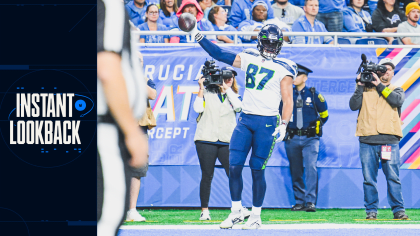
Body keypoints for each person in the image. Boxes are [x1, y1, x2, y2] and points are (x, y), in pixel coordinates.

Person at [185, 22, 296, 229]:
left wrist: (284, 124)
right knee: (234, 166)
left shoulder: (285, 67)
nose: (271, 48)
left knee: (257, 169)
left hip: (267, 122)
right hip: (245, 119)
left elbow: (288, 99)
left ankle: (255, 216)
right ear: (260, 42)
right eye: (267, 43)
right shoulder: (249, 57)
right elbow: (218, 53)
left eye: (274, 44)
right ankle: (236, 212)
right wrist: (196, 33)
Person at [97, 0, 148, 235]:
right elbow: (106, 68)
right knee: (104, 221)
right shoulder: (108, 6)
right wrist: (130, 130)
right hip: (103, 129)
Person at [349, 58, 409, 220]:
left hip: (389, 140)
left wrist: (379, 85)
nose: (386, 71)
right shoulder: (365, 88)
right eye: (383, 69)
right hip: (367, 140)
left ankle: (398, 211)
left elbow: (396, 101)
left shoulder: (397, 89)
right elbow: (353, 106)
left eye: (389, 69)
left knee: (393, 177)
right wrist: (360, 86)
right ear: (376, 71)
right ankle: (371, 211)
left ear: (393, 73)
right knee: (369, 179)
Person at [193, 68, 247, 221]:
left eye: (231, 78)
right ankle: (204, 211)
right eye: (225, 78)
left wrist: (227, 89)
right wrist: (201, 88)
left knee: (233, 173)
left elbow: (239, 107)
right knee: (207, 174)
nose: (229, 80)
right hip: (206, 138)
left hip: (227, 140)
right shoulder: (207, 93)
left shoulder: (234, 96)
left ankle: (238, 207)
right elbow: (198, 108)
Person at [280, 64, 328, 213]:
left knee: (311, 168)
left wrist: (314, 128)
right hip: (292, 138)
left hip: (310, 139)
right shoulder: (287, 94)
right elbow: (280, 114)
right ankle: (299, 201)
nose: (294, 78)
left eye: (298, 75)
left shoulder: (314, 95)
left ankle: (310, 202)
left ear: (305, 78)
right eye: (293, 75)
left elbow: (324, 115)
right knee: (295, 170)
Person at [126, 75, 157, 222]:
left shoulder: (145, 79)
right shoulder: (118, 73)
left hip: (139, 130)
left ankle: (131, 210)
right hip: (118, 127)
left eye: (140, 61)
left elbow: (152, 94)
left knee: (137, 171)